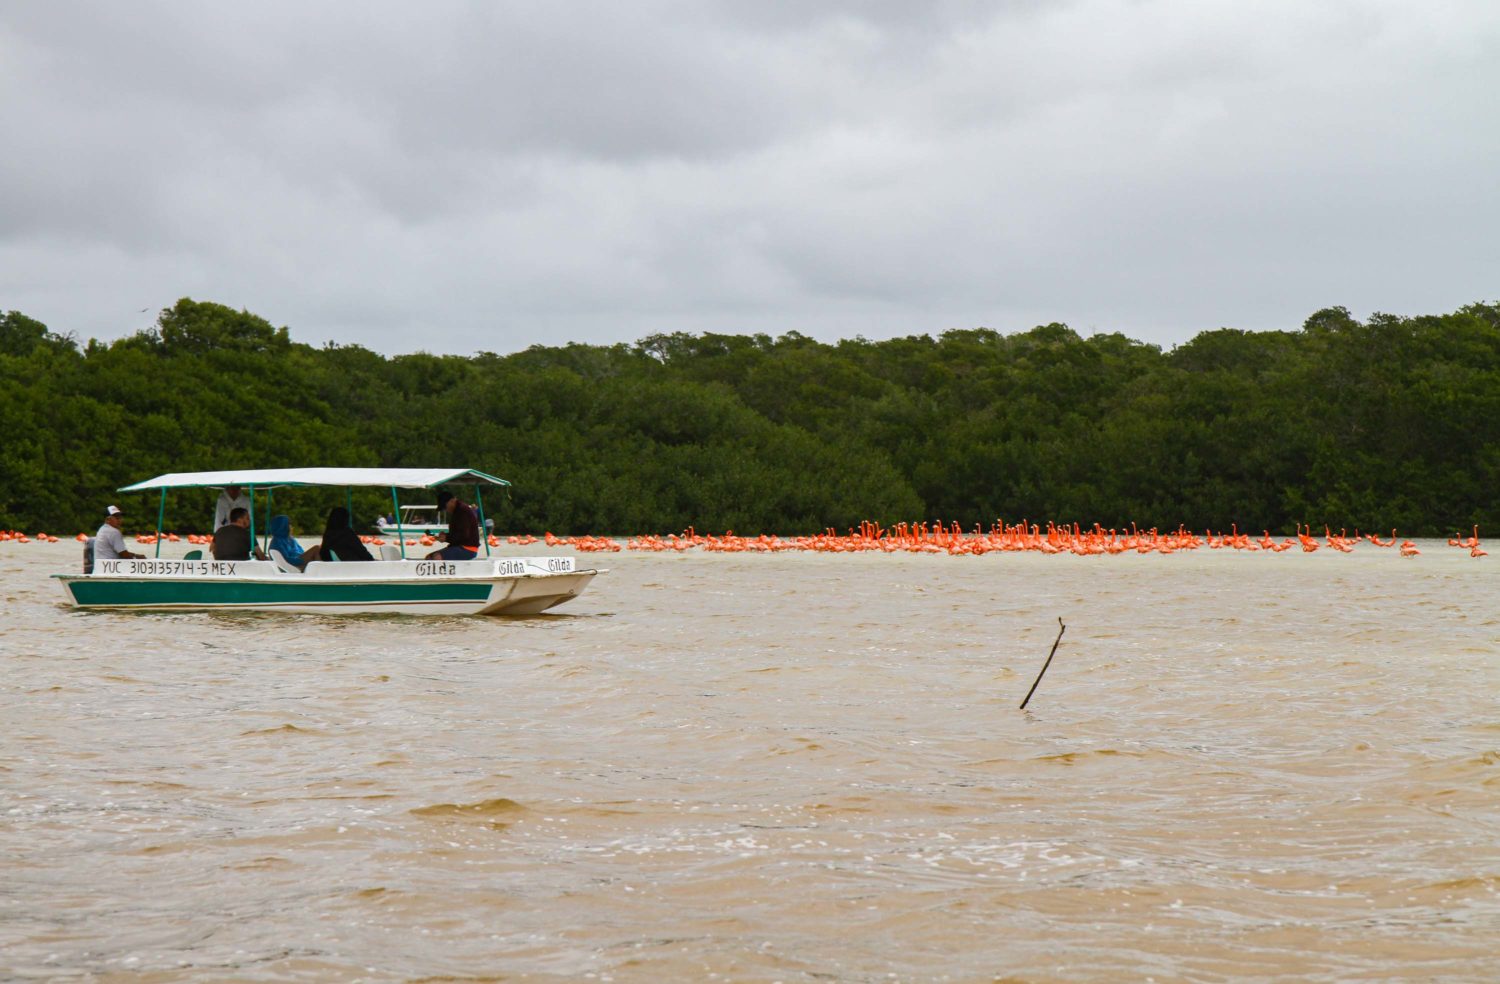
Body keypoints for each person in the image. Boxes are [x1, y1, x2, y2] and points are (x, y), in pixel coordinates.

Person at [426, 490, 480, 560]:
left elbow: (463, 535)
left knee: (436, 557)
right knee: (429, 558)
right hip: (459, 546)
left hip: (468, 549)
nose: (445, 510)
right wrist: (446, 536)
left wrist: (446, 538)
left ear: (452, 501)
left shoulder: (462, 510)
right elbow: (458, 533)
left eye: (445, 507)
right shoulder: (457, 510)